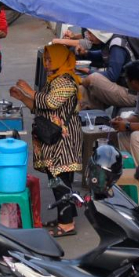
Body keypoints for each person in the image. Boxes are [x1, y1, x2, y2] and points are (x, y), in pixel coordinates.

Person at [9, 44, 82, 237]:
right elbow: (40, 107)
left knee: (60, 181)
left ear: (60, 60)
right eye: (46, 60)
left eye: (50, 60)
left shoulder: (66, 82)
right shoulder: (54, 80)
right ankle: (64, 217)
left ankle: (67, 225)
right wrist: (22, 97)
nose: (47, 64)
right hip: (53, 140)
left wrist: (28, 90)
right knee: (56, 180)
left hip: (62, 141)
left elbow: (50, 102)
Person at [78, 30, 138, 110]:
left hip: (131, 94)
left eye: (90, 33)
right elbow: (103, 56)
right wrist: (86, 53)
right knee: (78, 91)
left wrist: (88, 71)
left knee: (93, 78)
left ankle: (82, 81)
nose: (88, 36)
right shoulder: (110, 42)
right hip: (120, 87)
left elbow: (112, 75)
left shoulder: (117, 46)